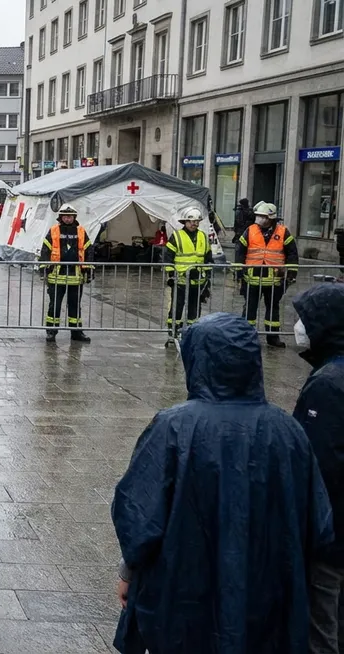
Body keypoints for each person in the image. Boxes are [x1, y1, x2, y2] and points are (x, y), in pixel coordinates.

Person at [112, 312, 333, 653]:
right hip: (266, 596)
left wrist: (129, 571)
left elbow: (139, 515)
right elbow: (317, 523)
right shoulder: (287, 431)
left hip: (184, 593)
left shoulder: (174, 427)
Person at [291, 285, 344, 653]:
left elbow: (320, 465)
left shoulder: (329, 385)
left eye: (306, 319)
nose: (297, 327)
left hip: (330, 535)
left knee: (320, 626)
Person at [236, 201, 298, 348]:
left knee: (273, 309)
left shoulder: (283, 232)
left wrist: (292, 273)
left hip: (274, 280)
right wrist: (238, 272)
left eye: (263, 216)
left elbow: (292, 253)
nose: (260, 219)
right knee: (249, 309)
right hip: (252, 278)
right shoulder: (250, 230)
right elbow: (240, 251)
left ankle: (272, 337)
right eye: (258, 216)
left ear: (271, 218)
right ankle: (246, 336)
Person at [39, 204, 92, 343]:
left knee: (75, 305)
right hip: (56, 276)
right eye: (65, 216)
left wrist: (89, 270)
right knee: (54, 305)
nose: (68, 218)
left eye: (70, 216)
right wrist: (43, 270)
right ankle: (51, 332)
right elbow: (45, 251)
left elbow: (88, 250)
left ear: (74, 217)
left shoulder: (81, 231)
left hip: (75, 276)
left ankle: (76, 332)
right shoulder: (53, 231)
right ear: (61, 217)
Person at [163, 207, 212, 340]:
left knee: (195, 309)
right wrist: (171, 276)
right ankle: (172, 332)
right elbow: (168, 258)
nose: (194, 224)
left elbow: (208, 258)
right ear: (184, 222)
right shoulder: (177, 236)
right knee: (177, 307)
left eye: (196, 221)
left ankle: (192, 332)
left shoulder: (203, 236)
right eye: (191, 221)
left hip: (198, 281)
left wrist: (208, 278)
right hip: (180, 281)